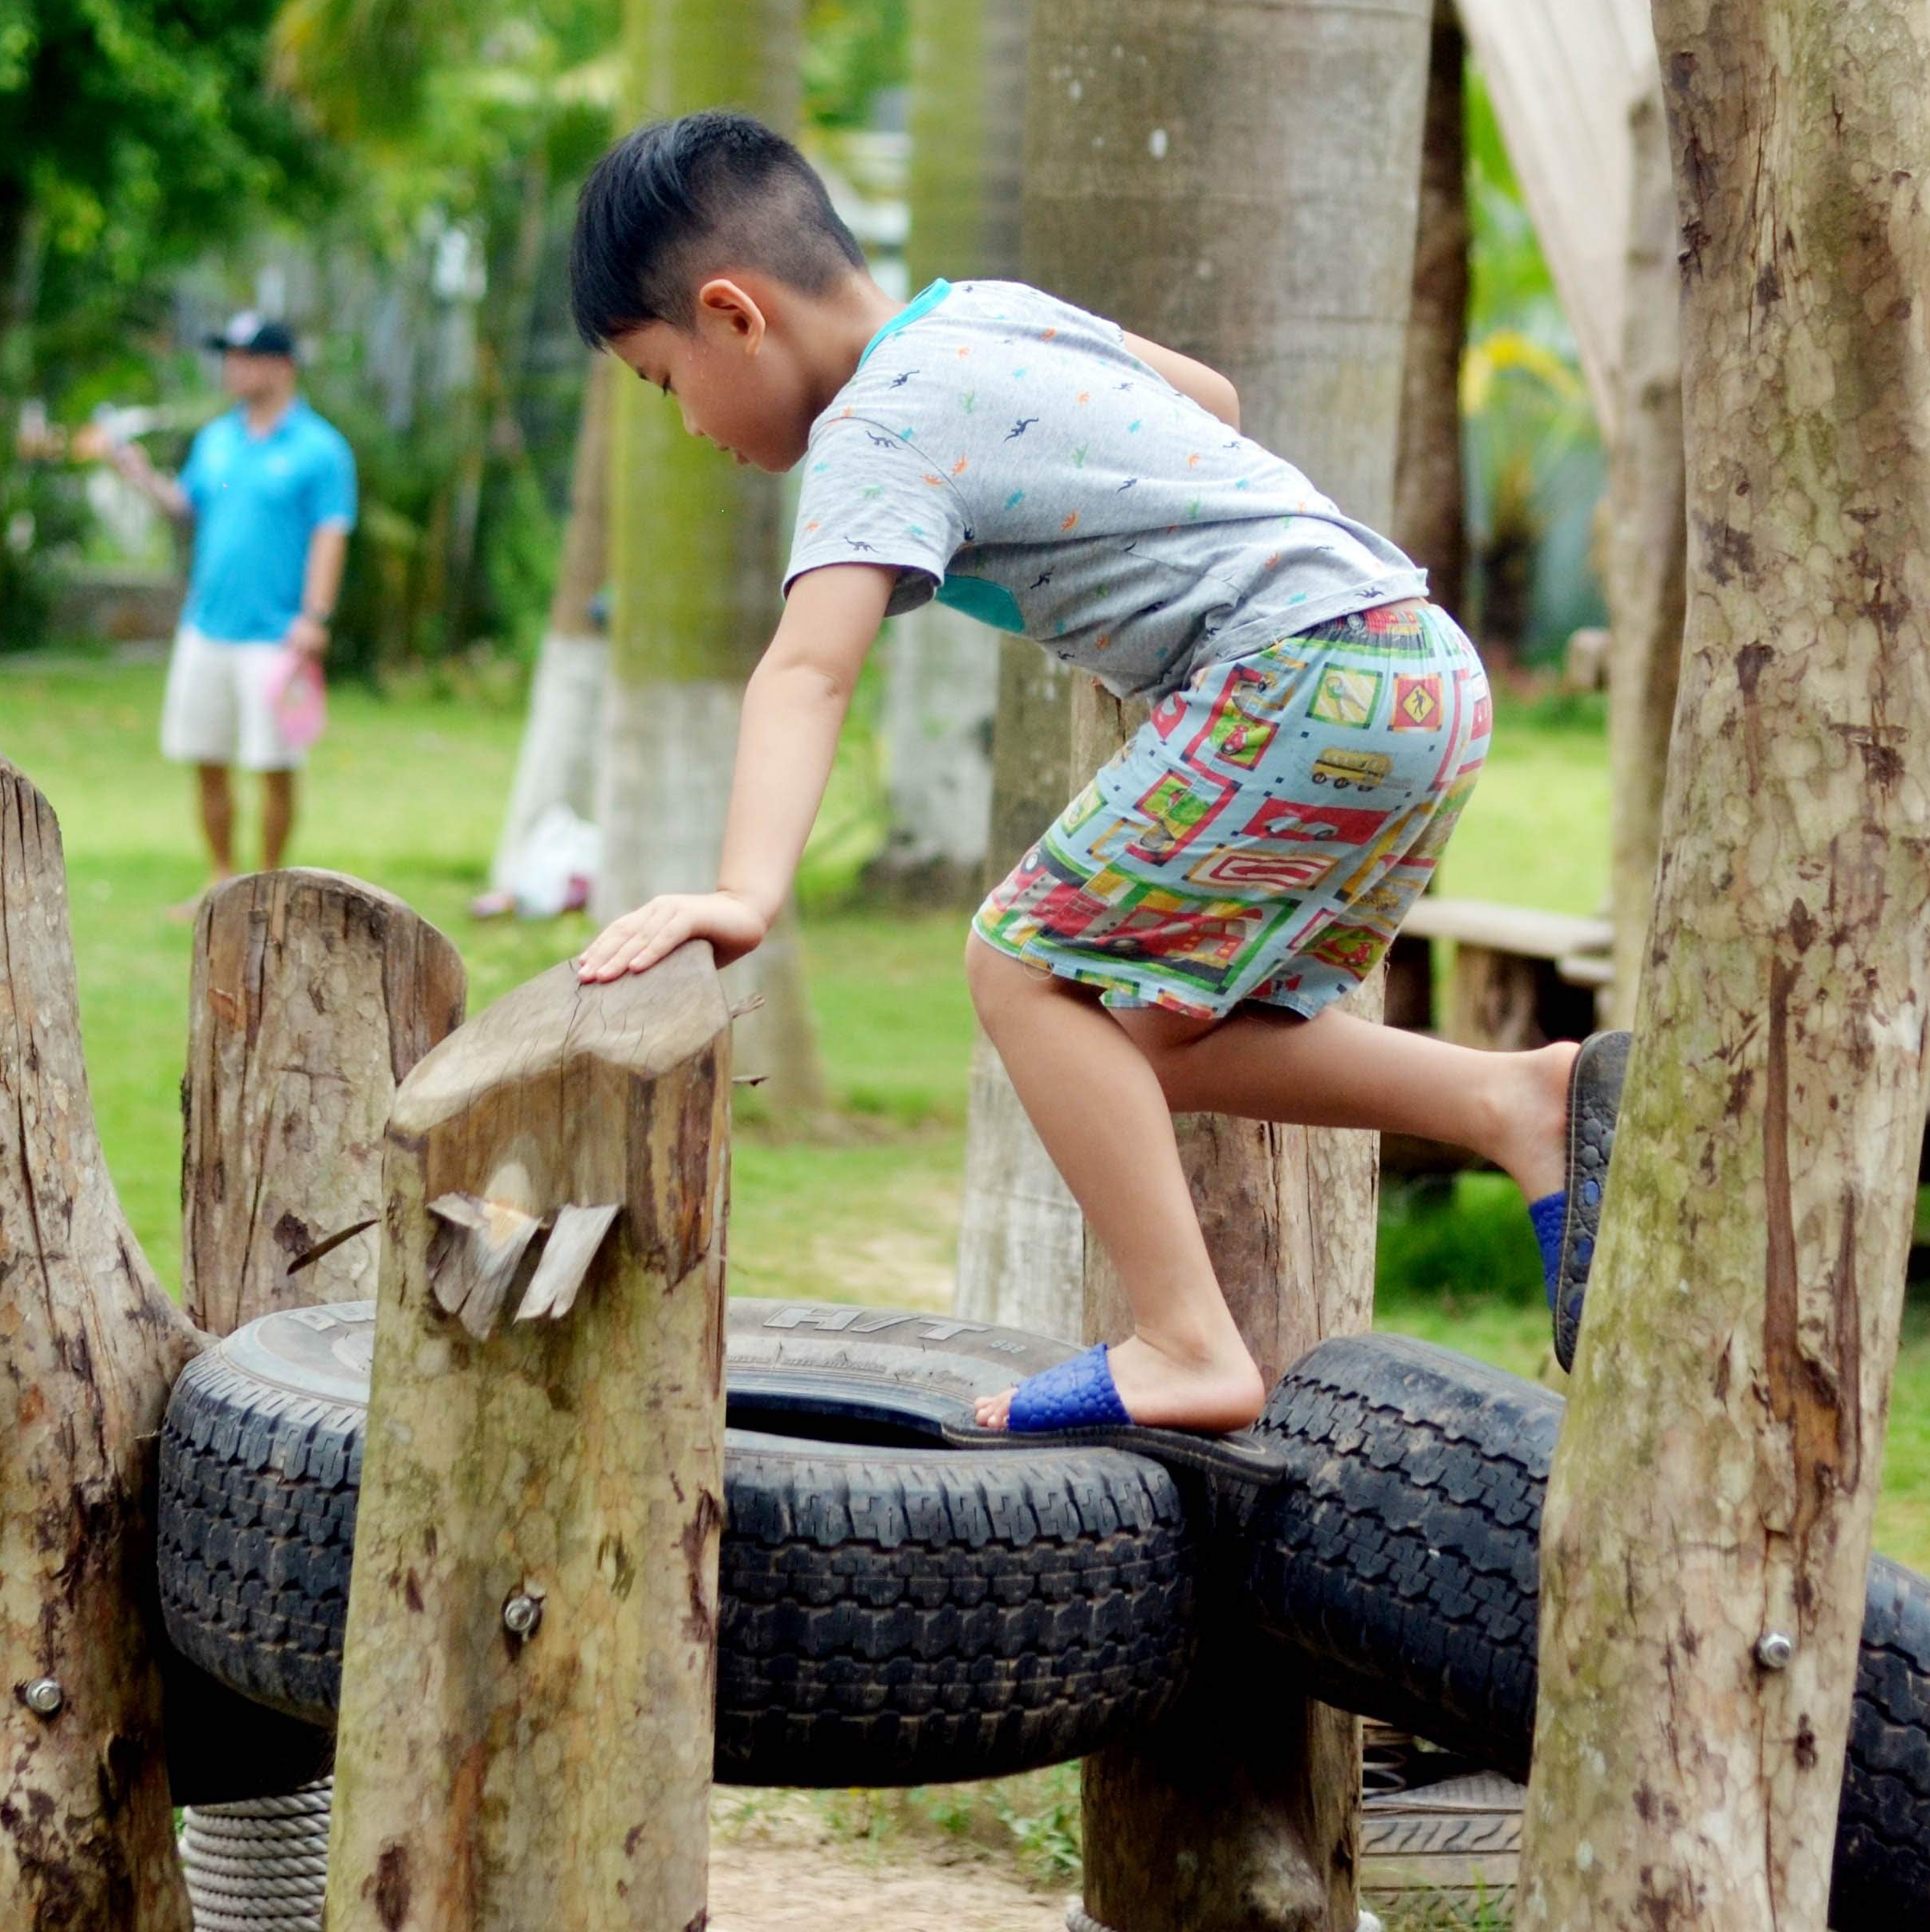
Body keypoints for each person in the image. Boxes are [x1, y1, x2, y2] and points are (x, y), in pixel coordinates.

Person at [562, 112, 1615, 1438]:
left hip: (1288, 670)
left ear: (730, 313)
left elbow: (807, 670)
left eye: (663, 383)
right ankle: (1517, 1097)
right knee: (1156, 1033)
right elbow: (1211, 401)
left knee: (1016, 960)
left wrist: (742, 892)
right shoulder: (983, 314)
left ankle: (1184, 1338)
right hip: (1412, 668)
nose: (687, 424)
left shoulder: (873, 430)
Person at [108, 312, 356, 898]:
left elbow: (330, 532)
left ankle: (266, 889)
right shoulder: (217, 439)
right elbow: (185, 506)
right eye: (230, 356)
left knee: (275, 766)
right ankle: (220, 881)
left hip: (276, 636)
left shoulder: (321, 449)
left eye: (246, 357)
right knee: (207, 758)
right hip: (206, 628)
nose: (232, 368)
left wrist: (315, 617)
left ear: (283, 366)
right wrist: (140, 477)